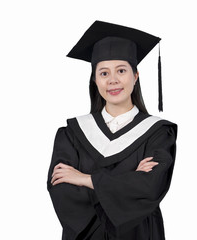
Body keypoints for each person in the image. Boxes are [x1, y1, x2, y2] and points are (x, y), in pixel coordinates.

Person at [46, 20, 178, 240]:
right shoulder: (71, 134)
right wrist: (128, 181)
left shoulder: (157, 133)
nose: (113, 80)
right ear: (95, 80)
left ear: (135, 76)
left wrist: (86, 179)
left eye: (121, 70)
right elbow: (61, 190)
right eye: (104, 73)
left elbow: (151, 187)